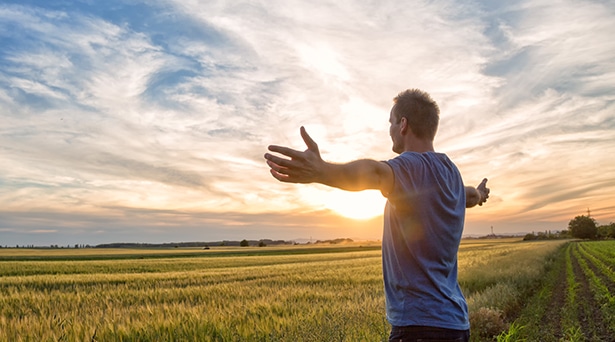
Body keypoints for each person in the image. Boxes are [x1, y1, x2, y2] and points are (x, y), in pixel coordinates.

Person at [264, 89, 489, 342]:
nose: (390, 130)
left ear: (403, 124)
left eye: (391, 122)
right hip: (456, 324)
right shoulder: (451, 173)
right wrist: (480, 195)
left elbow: (376, 174)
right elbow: (468, 196)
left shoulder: (410, 166)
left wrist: (322, 171)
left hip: (419, 327)